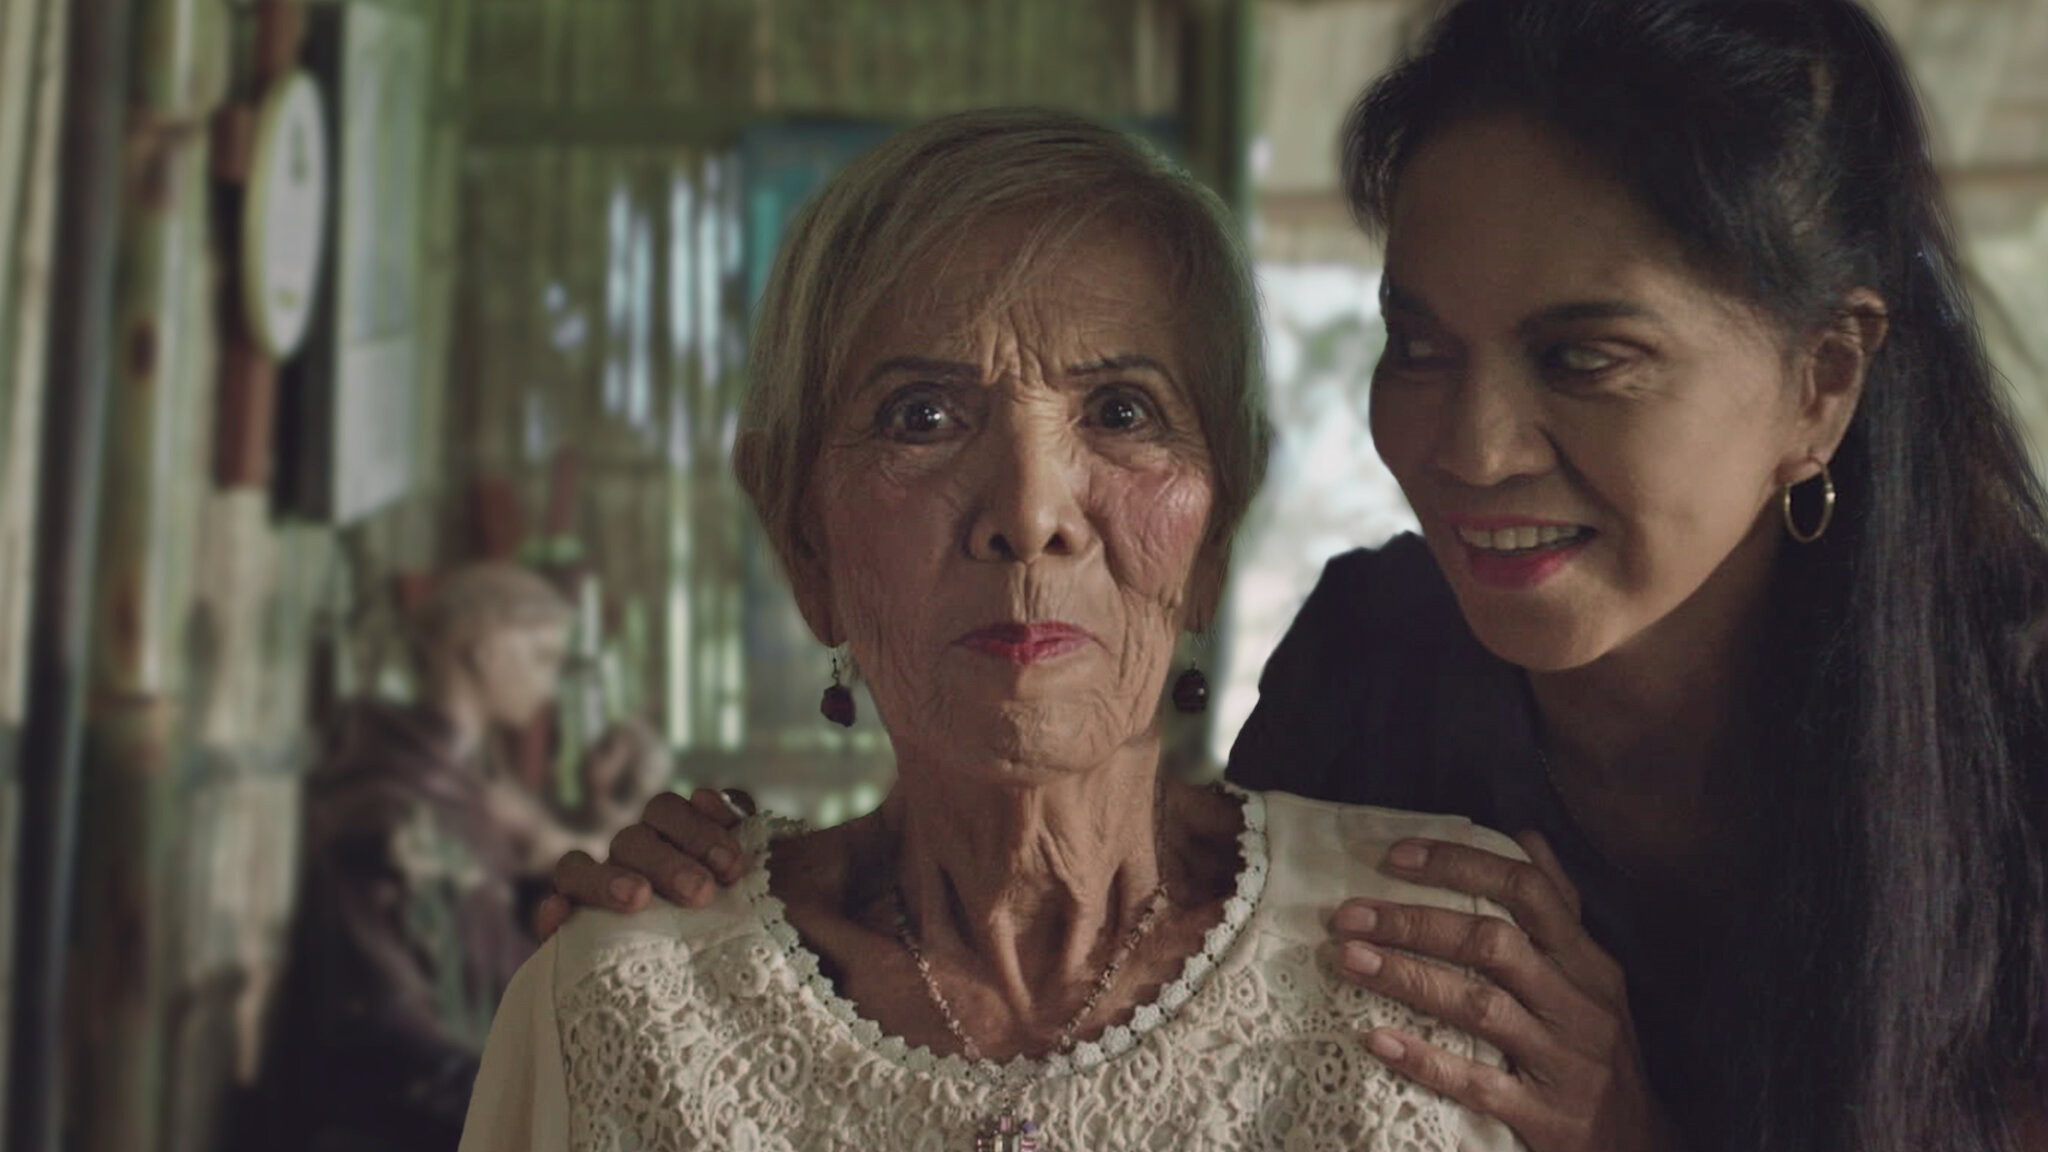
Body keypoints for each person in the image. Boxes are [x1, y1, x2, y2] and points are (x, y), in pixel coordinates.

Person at [541, 3, 2048, 1151]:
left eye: (1586, 356)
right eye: (1419, 345)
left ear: (1821, 384)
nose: (1469, 446)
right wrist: (716, 902)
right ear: (798, 532)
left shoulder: (2016, 729)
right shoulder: (1378, 661)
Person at [456, 107, 1526, 1151]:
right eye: (921, 417)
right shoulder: (626, 1012)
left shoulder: (1447, 960)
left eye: (1120, 412)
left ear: (1214, 537)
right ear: (803, 541)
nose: (1029, 512)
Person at [251, 563, 655, 1151]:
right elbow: (385, 1029)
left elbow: (495, 959)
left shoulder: (471, 798)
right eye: (541, 657)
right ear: (485, 651)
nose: (548, 687)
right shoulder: (392, 808)